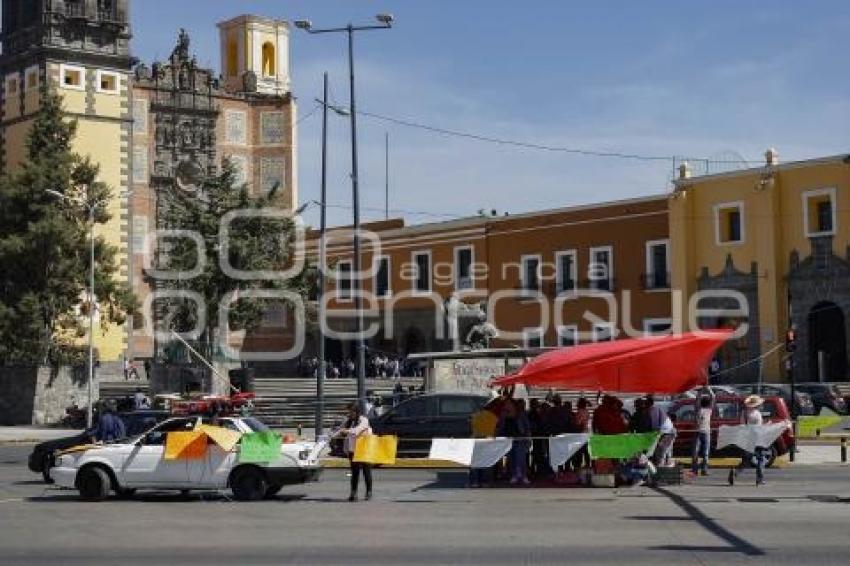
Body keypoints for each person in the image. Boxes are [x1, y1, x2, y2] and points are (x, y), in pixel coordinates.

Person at [730, 395, 768, 486]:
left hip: (747, 438)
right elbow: (759, 428)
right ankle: (759, 479)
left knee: (746, 460)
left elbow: (742, 426)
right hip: (757, 438)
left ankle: (735, 472)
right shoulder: (757, 414)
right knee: (761, 459)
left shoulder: (744, 413)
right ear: (756, 405)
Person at [340, 403, 373, 501]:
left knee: (366, 471)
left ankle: (369, 492)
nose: (348, 414)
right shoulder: (349, 421)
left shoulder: (364, 420)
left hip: (364, 449)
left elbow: (357, 431)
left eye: (350, 412)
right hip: (353, 449)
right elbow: (340, 430)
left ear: (355, 412)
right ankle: (353, 493)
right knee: (354, 473)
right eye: (348, 412)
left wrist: (347, 431)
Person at [498, 399, 532, 485]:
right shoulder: (503, 415)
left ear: (513, 405)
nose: (506, 405)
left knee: (521, 459)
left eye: (508, 403)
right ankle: (514, 475)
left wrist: (528, 438)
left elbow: (527, 427)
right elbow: (500, 427)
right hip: (508, 440)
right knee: (511, 458)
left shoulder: (521, 415)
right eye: (506, 404)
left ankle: (524, 476)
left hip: (520, 439)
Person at [692, 386, 716, 476]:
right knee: (697, 452)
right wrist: (705, 389)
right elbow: (711, 397)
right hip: (699, 432)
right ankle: (695, 470)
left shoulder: (708, 410)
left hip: (705, 432)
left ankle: (703, 470)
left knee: (704, 452)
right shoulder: (699, 409)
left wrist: (706, 389)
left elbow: (712, 397)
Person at [647, 395, 677, 467]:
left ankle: (661, 470)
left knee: (660, 452)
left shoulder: (653, 411)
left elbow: (654, 428)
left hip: (668, 433)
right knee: (661, 452)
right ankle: (663, 468)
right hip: (666, 432)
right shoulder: (653, 410)